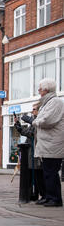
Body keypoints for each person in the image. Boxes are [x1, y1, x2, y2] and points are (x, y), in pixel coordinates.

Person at [32, 78, 64, 207]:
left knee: (51, 173)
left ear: (46, 90)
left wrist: (34, 121)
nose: (39, 92)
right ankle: (48, 196)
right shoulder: (47, 103)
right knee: (47, 173)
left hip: (53, 144)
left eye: (40, 89)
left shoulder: (55, 102)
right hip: (47, 144)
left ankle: (55, 199)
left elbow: (47, 120)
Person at [14, 102, 45, 203]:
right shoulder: (34, 122)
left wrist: (22, 124)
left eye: (34, 109)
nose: (32, 111)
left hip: (37, 151)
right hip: (32, 151)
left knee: (38, 174)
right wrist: (18, 125)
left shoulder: (38, 121)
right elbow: (26, 132)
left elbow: (30, 133)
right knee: (35, 174)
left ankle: (42, 195)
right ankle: (36, 194)